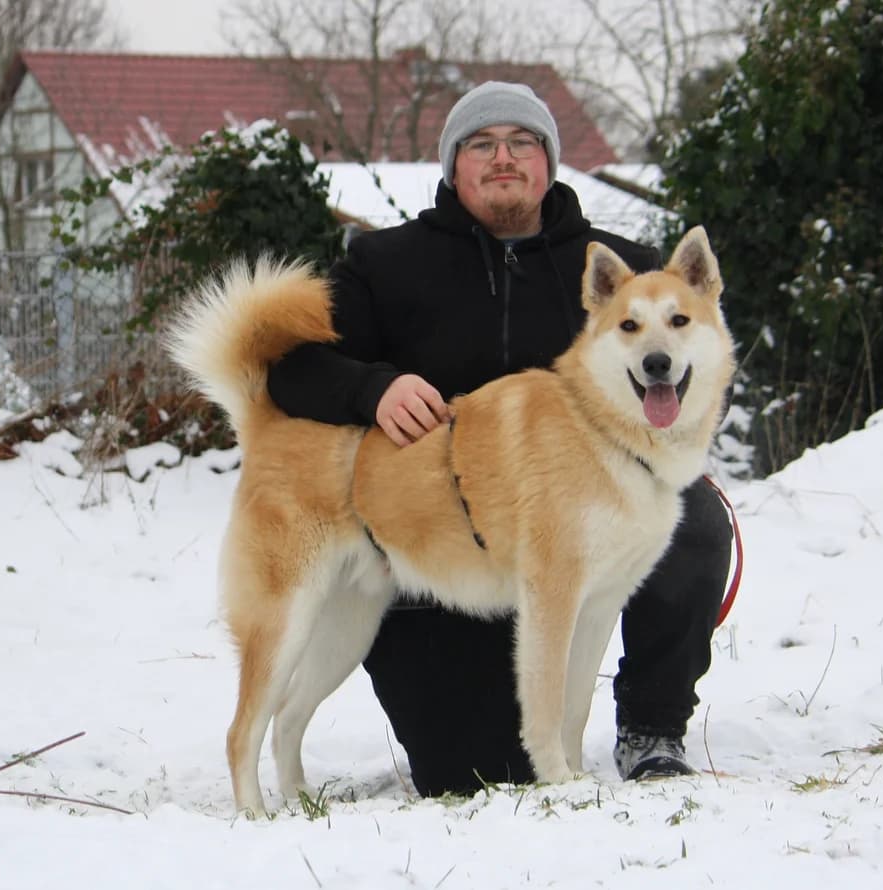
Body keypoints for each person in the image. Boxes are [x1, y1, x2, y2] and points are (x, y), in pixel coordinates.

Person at [267, 81, 733, 796]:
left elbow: (691, 352)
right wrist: (375, 389)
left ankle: (651, 724)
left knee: (694, 519)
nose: (503, 157)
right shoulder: (385, 264)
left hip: (577, 521)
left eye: (522, 142)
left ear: (549, 162)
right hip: (436, 548)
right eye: (481, 144)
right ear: (454, 165)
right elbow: (293, 370)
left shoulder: (625, 270)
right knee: (476, 777)